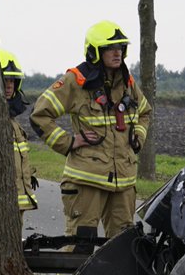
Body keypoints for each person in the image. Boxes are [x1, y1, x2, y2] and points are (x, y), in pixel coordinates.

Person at [30, 20, 152, 250]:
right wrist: (68, 142)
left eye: (120, 47)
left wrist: (139, 137)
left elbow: (144, 111)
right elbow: (40, 114)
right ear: (95, 51)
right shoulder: (75, 82)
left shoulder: (127, 83)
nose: (118, 52)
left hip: (124, 183)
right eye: (110, 48)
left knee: (122, 249)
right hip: (86, 181)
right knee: (80, 246)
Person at [0, 48, 37, 227]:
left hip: (16, 201)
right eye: (4, 80)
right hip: (0, 202)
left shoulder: (12, 121)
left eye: (12, 81)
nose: (9, 85)